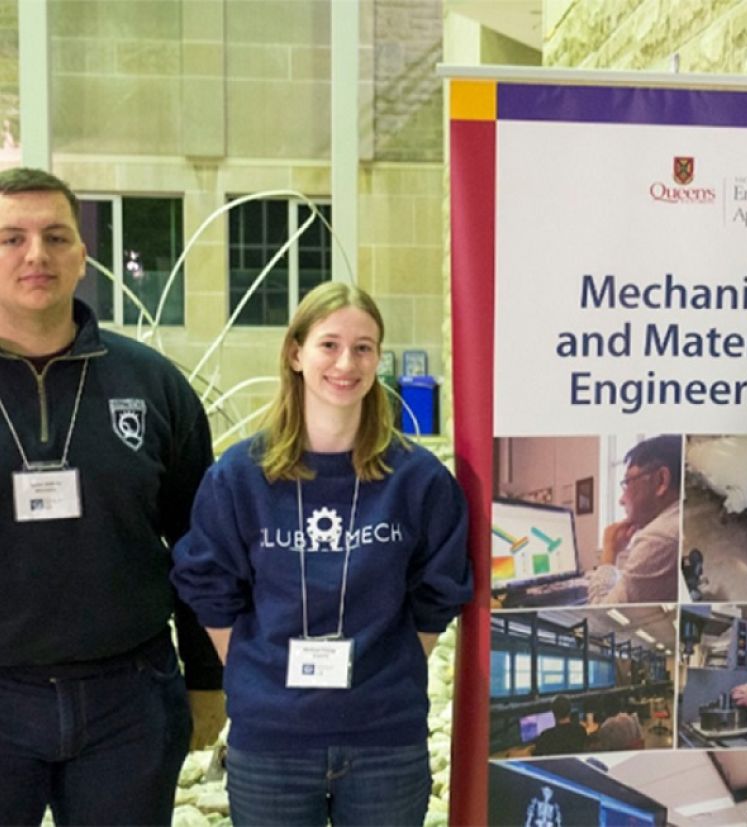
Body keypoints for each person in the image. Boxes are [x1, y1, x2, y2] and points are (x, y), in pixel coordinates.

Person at [171, 282, 473, 825]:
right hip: (272, 744)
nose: (346, 363)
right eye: (329, 344)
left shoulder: (416, 479)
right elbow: (206, 582)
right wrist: (254, 671)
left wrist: (389, 668)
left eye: (363, 348)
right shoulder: (241, 476)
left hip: (385, 740)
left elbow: (441, 589)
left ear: (378, 359)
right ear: (295, 353)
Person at [0, 167, 224, 825]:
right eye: (11, 238)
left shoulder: (151, 385)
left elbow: (199, 545)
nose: (35, 254)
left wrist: (207, 678)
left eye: (55, 236)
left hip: (126, 700)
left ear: (82, 255)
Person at [587, 434, 681, 604]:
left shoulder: (659, 538)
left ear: (661, 480)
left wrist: (610, 550)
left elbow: (600, 611)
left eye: (627, 482)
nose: (621, 500)